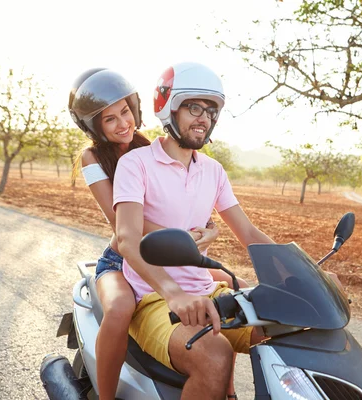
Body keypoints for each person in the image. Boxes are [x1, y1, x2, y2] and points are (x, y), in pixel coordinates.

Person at [68, 68, 238, 399]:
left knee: (229, 284)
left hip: (163, 250)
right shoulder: (93, 157)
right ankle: (106, 395)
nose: (123, 124)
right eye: (110, 119)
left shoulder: (145, 147)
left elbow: (185, 209)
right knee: (118, 310)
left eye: (125, 112)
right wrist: (182, 235)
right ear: (94, 127)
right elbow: (119, 223)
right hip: (120, 257)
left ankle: (226, 389)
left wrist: (207, 232)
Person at [113, 62, 279, 399]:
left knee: (288, 328)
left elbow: (248, 232)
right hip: (155, 298)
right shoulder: (136, 164)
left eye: (210, 110)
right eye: (193, 107)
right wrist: (174, 292)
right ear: (169, 108)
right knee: (214, 354)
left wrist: (304, 272)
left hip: (208, 292)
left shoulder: (214, 171)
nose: (203, 117)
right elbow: (127, 239)